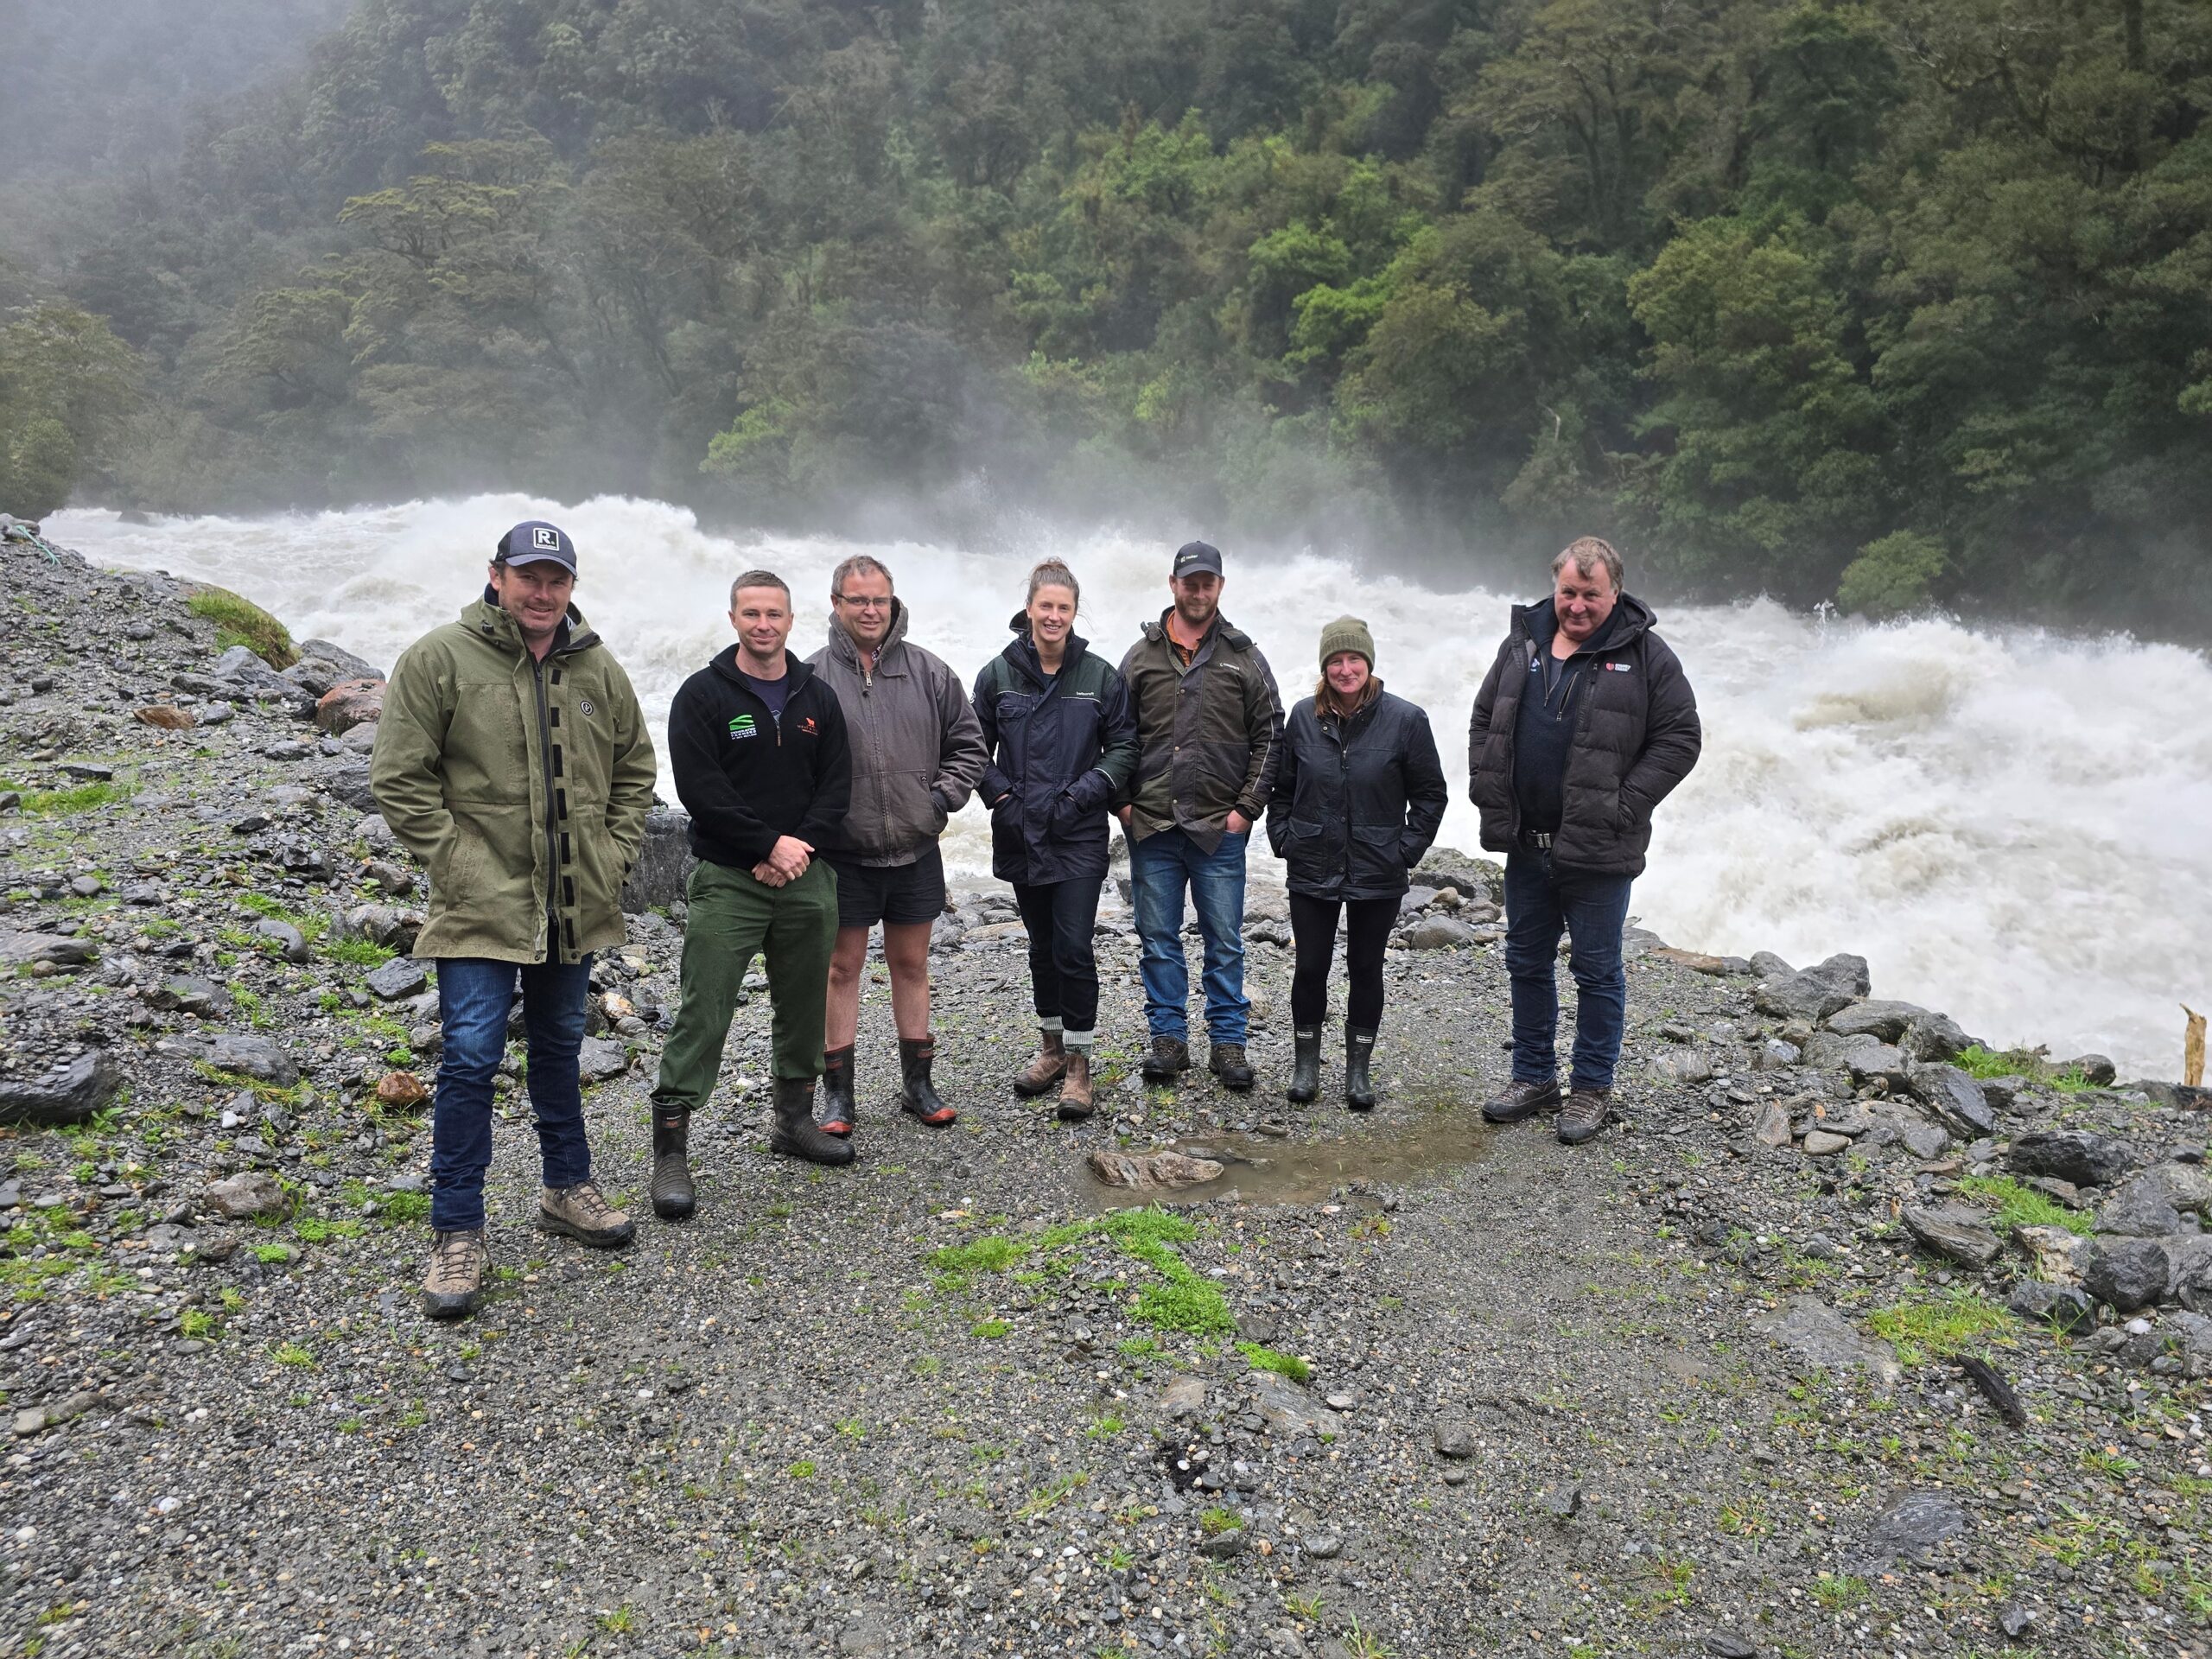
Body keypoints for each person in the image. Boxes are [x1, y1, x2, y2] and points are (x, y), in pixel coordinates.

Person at [372, 519, 658, 1320]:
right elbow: (398, 777)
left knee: (562, 1047)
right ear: (495, 575)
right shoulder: (440, 658)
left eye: (556, 579)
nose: (542, 592)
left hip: (575, 899)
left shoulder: (596, 667)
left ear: (571, 585)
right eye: (527, 576)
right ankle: (456, 1228)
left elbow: (637, 769)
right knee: (469, 1056)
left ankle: (566, 1189)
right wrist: (457, 864)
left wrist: (614, 854)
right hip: (479, 903)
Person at [1468, 537, 1701, 1144]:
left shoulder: (1647, 656)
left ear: (1614, 592)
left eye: (1589, 595)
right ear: (1556, 586)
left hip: (1600, 849)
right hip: (1527, 841)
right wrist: (1490, 786)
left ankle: (1591, 1089)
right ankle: (1534, 1077)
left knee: (1597, 971)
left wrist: (1624, 804)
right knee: (1526, 959)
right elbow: (1484, 717)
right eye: (1568, 592)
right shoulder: (1521, 645)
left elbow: (1680, 738)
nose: (1576, 605)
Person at [648, 569, 855, 1217]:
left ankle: (792, 1121)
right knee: (704, 1008)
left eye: (774, 614)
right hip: (729, 879)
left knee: (801, 1006)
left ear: (792, 621)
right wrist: (768, 846)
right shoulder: (701, 695)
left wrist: (797, 850)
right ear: (733, 618)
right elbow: (701, 791)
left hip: (807, 875)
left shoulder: (817, 696)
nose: (763, 624)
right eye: (751, 613)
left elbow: (837, 788)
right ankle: (672, 1153)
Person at [807, 555, 988, 1137]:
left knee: (912, 963)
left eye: (878, 599)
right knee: (842, 969)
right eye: (857, 599)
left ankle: (918, 1084)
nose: (869, 610)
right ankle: (838, 1096)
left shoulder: (929, 672)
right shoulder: (809, 678)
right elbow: (791, 768)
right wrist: (818, 826)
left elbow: (970, 746)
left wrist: (940, 799)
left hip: (915, 848)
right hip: (844, 854)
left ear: (892, 603)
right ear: (836, 603)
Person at [972, 560, 1139, 1121]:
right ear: (1030, 608)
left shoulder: (1099, 676)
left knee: (1072, 947)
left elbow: (1124, 747)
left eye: (1063, 607)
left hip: (1078, 833)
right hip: (1020, 832)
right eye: (1045, 606)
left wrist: (1085, 792)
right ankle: (1049, 1048)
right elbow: (973, 747)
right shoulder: (997, 675)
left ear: (1073, 612)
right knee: (1041, 947)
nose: (1053, 615)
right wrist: (1001, 799)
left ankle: (1079, 1065)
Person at [1116, 540, 1283, 1090]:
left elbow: (1270, 734)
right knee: (1158, 938)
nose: (1198, 589)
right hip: (1154, 826)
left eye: (1207, 581)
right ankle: (1169, 1041)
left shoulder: (1244, 656)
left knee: (1225, 939)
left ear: (1220, 587)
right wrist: (1122, 803)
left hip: (1220, 827)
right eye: (1190, 581)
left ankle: (1228, 1045)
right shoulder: (1140, 657)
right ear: (1173, 584)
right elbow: (1111, 736)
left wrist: (1245, 811)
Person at [1266, 618, 1447, 1109]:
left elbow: (1431, 795)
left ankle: (1358, 1071)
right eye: (1336, 661)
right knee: (1310, 968)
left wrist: (1405, 851)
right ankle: (1306, 1067)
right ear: (1324, 667)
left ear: (1369, 663)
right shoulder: (1302, 718)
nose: (1346, 670)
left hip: (1378, 869)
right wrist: (1283, 839)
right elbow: (1281, 790)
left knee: (1367, 968)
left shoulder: (1407, 720)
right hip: (1311, 863)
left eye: (1354, 660)